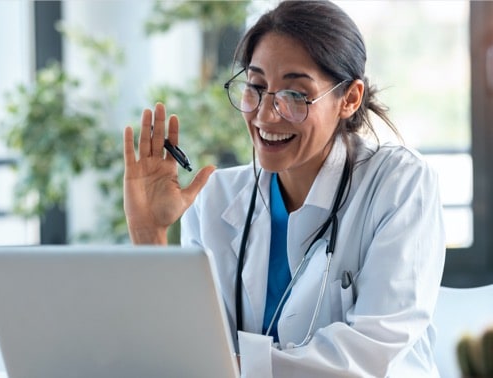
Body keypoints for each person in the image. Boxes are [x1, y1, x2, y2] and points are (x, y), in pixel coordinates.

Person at [122, 1, 446, 376]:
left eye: (294, 95)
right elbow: (182, 352)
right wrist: (149, 235)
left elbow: (369, 354)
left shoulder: (399, 184)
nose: (266, 114)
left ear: (350, 98)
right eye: (256, 87)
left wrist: (235, 368)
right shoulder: (215, 198)